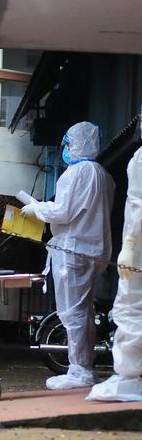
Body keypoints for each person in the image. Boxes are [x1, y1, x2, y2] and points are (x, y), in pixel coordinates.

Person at [21, 121, 115, 390]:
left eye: (68, 144)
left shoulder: (77, 173)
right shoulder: (103, 176)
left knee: (72, 312)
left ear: (78, 143)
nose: (65, 149)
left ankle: (80, 371)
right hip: (93, 251)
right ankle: (83, 367)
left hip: (73, 251)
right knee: (83, 311)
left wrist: (37, 208)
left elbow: (63, 212)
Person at [87, 132, 142, 402]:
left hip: (139, 252)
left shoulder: (141, 160)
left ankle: (130, 378)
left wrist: (131, 243)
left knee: (131, 308)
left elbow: (137, 205)